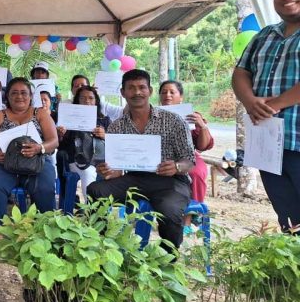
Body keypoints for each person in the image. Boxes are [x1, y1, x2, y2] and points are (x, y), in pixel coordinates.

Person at [88, 69, 196, 250]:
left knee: (169, 212)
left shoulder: (173, 121)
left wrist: (176, 166)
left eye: (141, 87)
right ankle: (103, 246)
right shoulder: (116, 127)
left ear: (150, 91)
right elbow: (116, 167)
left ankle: (167, 260)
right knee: (95, 190)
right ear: (123, 93)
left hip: (171, 181)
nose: (137, 92)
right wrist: (109, 171)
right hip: (134, 179)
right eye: (131, 88)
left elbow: (190, 161)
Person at [232, 0, 300, 233]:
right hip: (268, 143)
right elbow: (241, 72)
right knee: (289, 220)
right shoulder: (265, 35)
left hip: (298, 139)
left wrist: (275, 104)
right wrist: (250, 102)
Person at [0, 78, 58, 257]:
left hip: (37, 161)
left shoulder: (40, 113)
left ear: (31, 96)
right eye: (14, 93)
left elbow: (54, 141)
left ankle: (45, 236)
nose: (19, 96)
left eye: (23, 92)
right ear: (7, 96)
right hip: (5, 164)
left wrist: (39, 148)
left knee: (45, 187)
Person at [159, 80, 214, 233]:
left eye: (172, 92)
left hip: (187, 155)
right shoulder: (151, 114)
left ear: (180, 97)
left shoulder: (191, 115)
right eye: (164, 92)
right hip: (159, 156)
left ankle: (188, 218)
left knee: (196, 172)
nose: (167, 95)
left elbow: (203, 146)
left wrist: (202, 126)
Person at [57, 86, 111, 199]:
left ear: (96, 101)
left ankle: (100, 210)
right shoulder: (68, 120)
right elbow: (61, 146)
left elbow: (115, 145)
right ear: (77, 101)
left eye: (91, 98)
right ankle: (91, 210)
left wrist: (105, 135)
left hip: (101, 160)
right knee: (88, 171)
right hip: (78, 160)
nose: (87, 101)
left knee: (106, 174)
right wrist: (61, 134)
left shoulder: (105, 120)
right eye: (83, 98)